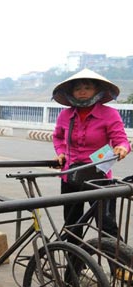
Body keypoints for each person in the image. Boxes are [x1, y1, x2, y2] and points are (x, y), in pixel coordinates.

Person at [51, 68, 130, 239]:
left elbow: (121, 140)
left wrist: (122, 148)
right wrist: (61, 153)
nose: (82, 92)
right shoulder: (65, 115)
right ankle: (74, 265)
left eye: (87, 88)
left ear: (97, 90)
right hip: (70, 177)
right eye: (77, 88)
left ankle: (119, 265)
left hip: (99, 177)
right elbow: (57, 137)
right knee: (72, 226)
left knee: (107, 227)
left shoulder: (109, 114)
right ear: (71, 92)